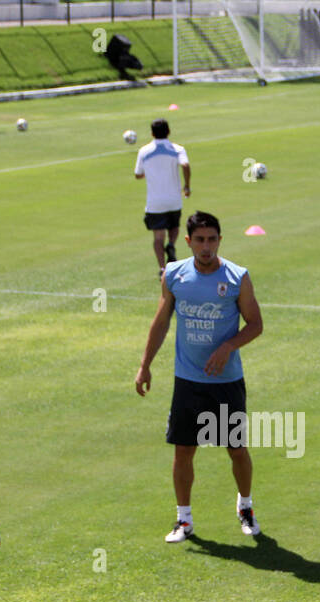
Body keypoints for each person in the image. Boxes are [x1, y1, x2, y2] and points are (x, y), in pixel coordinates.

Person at [135, 211, 264, 542]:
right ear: (189, 242)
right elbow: (162, 320)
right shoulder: (175, 275)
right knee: (183, 451)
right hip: (188, 381)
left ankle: (245, 507)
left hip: (226, 382)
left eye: (212, 239)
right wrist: (145, 364)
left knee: (235, 449)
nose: (206, 247)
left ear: (220, 240)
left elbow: (255, 324)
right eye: (200, 240)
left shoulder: (237, 277)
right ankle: (184, 520)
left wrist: (228, 347)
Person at [134, 119, 191, 279]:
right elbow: (185, 165)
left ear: (152, 133)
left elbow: (138, 174)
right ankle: (171, 244)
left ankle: (162, 268)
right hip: (174, 199)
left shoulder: (144, 151)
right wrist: (187, 186)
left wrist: (149, 172)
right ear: (169, 131)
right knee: (174, 227)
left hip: (155, 202)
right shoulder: (178, 149)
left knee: (158, 237)